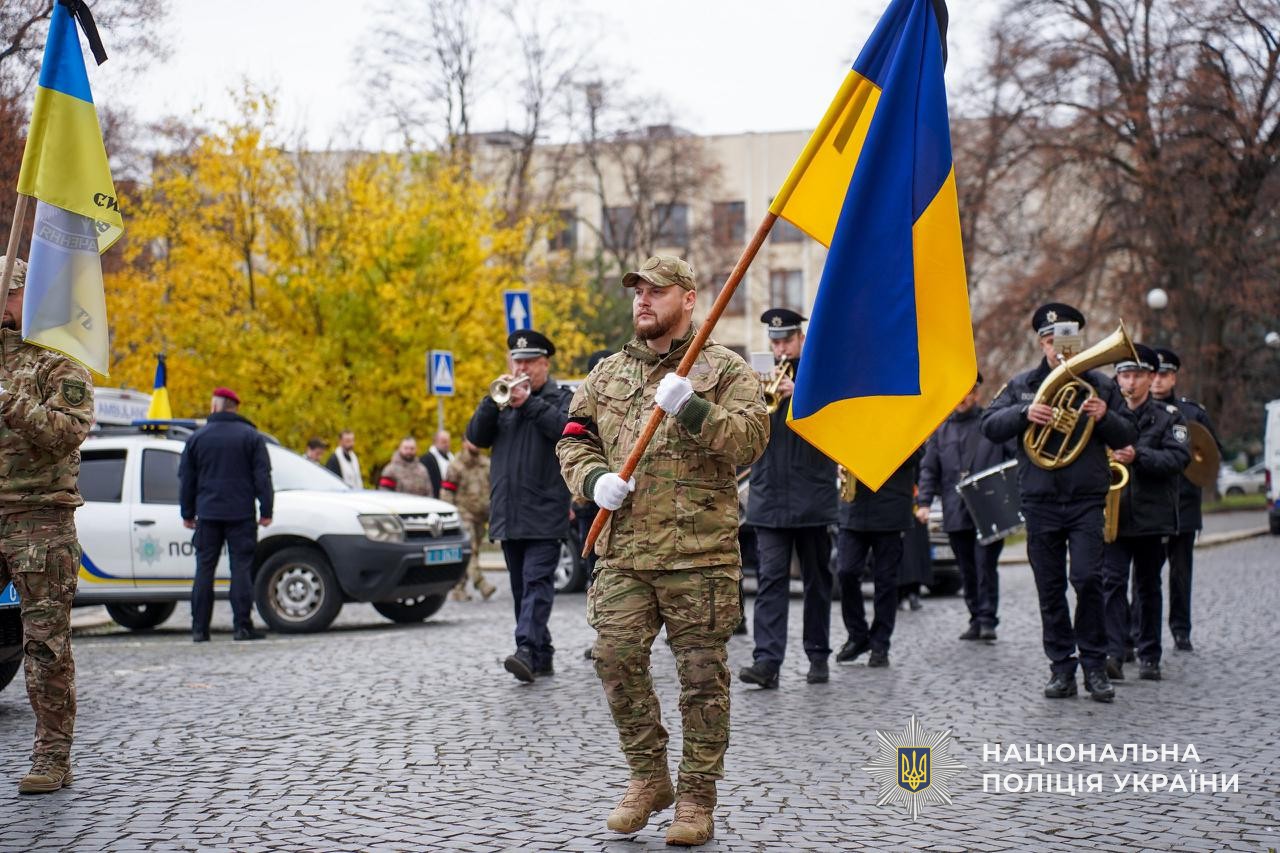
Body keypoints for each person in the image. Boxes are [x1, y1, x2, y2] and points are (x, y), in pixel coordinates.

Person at [558, 255, 768, 846]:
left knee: (702, 680)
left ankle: (697, 798)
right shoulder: (606, 375)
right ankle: (649, 778)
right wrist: (594, 479)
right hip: (624, 554)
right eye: (638, 292)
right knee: (614, 660)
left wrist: (691, 406)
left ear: (688, 299)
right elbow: (573, 440)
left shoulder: (724, 369)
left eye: (657, 291)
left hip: (698, 557)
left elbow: (750, 442)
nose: (643, 300)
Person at [981, 303, 1137, 702]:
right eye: (1050, 341)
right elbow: (990, 426)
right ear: (1041, 343)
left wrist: (1104, 417)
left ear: (1078, 342)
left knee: (1087, 579)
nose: (1057, 349)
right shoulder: (1022, 385)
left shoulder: (1100, 386)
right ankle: (1061, 668)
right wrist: (1024, 413)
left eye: (1065, 341)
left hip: (1086, 500)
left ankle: (1095, 666)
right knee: (1049, 588)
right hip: (1040, 501)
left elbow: (1127, 435)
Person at [0, 256, 93, 794]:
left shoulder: (58, 360)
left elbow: (66, 432)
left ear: (23, 297)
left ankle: (51, 756)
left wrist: (9, 403)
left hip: (38, 517)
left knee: (45, 643)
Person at [738, 308, 838, 689]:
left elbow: (837, 426)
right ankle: (767, 661)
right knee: (771, 581)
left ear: (800, 340)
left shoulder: (821, 378)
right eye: (774, 342)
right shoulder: (756, 379)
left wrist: (802, 396)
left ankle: (818, 655)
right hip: (768, 497)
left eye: (786, 341)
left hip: (812, 494)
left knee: (816, 581)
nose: (780, 349)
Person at [466, 329, 573, 682]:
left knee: (536, 583)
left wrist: (528, 403)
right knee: (519, 589)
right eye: (517, 361)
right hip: (509, 514)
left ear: (545, 364)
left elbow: (564, 430)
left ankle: (525, 648)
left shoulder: (561, 398)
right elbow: (476, 437)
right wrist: (491, 401)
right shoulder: (502, 403)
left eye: (529, 362)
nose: (522, 368)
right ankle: (542, 653)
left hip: (545, 512)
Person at [1101, 344, 1189, 682]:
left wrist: (1138, 455)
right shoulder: (1108, 417)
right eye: (1125, 375)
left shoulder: (1171, 417)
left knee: (1148, 586)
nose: (1131, 382)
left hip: (1153, 517)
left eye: (1138, 375)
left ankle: (1150, 654)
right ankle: (1115, 651)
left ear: (1151, 377)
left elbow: (1178, 459)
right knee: (1111, 583)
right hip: (1115, 514)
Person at [915, 373, 1015, 641]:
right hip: (955, 508)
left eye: (968, 392)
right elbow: (929, 470)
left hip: (990, 508)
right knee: (967, 569)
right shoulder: (941, 430)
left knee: (985, 567)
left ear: (976, 394)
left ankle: (987, 619)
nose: (963, 398)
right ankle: (975, 617)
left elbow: (1013, 462)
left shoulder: (992, 425)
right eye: (958, 392)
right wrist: (923, 502)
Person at [179, 387, 274, 643]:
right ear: (235, 407)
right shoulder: (251, 437)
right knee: (241, 569)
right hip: (241, 514)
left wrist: (187, 512)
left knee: (204, 570)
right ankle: (242, 627)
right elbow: (262, 476)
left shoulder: (197, 438)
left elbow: (187, 479)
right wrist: (266, 510)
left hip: (208, 514)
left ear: (216, 406)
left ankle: (199, 630)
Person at [1151, 347, 1221, 652]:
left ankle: (1181, 630)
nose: (1157, 381)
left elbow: (1212, 454)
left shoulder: (1193, 412)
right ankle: (1139, 632)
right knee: (1145, 574)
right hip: (1149, 504)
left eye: (1163, 375)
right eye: (1152, 375)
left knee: (1180, 573)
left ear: (1174, 377)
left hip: (1184, 504)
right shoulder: (1136, 411)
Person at [833, 451, 922, 669]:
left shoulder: (904, 419)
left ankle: (880, 643)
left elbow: (917, 456)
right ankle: (858, 635)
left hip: (891, 507)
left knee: (886, 580)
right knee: (846, 571)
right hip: (854, 507)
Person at [439, 439, 497, 601]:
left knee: (473, 553)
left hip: (481, 516)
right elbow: (447, 492)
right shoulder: (455, 466)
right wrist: (449, 515)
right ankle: (481, 583)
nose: (476, 445)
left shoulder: (486, 464)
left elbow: (493, 487)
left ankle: (459, 588)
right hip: (463, 514)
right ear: (464, 443)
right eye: (472, 441)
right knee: (470, 550)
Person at [421, 429, 454, 497]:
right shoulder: (427, 460)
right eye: (444, 442)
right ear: (435, 442)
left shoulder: (452, 458)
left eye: (448, 441)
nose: (447, 444)